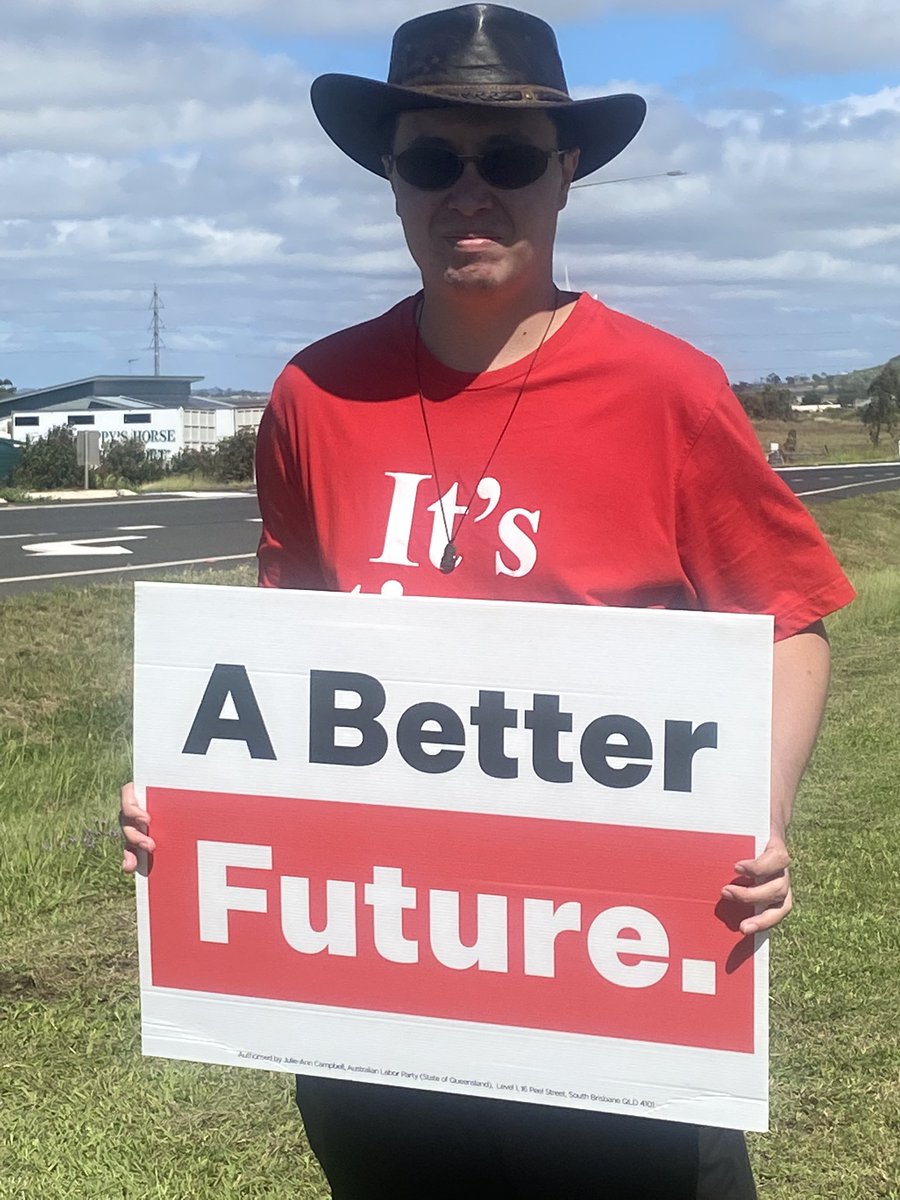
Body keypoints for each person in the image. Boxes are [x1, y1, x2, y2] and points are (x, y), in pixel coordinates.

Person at [121, 5, 854, 1197]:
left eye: (508, 158)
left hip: (611, 964)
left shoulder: (669, 390)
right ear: (391, 179)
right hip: (375, 973)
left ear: (565, 175)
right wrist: (194, 796)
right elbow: (285, 660)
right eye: (431, 160)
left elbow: (787, 620)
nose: (470, 191)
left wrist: (758, 813)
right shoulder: (314, 395)